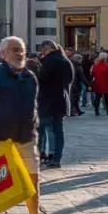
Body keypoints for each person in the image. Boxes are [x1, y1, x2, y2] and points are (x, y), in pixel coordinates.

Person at [0, 35, 58, 214]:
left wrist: (35, 126)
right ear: (3, 54)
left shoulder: (31, 77)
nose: (19, 53)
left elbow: (34, 105)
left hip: (27, 136)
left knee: (32, 179)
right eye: (14, 49)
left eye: (21, 49)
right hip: (1, 137)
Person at [37, 40, 74, 169]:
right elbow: (70, 80)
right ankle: (56, 157)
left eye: (43, 52)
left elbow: (41, 80)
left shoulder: (50, 61)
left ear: (46, 50)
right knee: (58, 131)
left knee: (43, 130)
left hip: (48, 101)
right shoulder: (66, 61)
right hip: (62, 100)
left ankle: (44, 155)